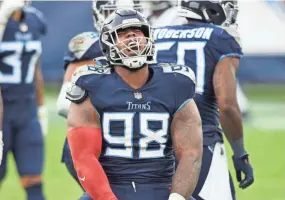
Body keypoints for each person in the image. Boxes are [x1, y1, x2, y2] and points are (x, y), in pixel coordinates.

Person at [66, 8, 202, 200]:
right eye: (122, 33)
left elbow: (191, 153)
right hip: (111, 188)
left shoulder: (176, 83)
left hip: (161, 187)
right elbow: (84, 158)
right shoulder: (92, 84)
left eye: (138, 31)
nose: (132, 37)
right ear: (108, 44)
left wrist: (177, 197)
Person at [154, 1, 254, 200]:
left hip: (153, 143)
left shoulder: (153, 36)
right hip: (201, 140)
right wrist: (240, 152)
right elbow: (226, 106)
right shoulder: (219, 38)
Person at [56, 0, 143, 196]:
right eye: (113, 11)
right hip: (96, 142)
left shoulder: (147, 43)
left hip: (133, 143)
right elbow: (64, 104)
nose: (122, 19)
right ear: (98, 15)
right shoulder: (90, 45)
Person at [0, 0, 48, 199]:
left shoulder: (35, 19)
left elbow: (35, 66)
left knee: (34, 180)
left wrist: (41, 107)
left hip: (27, 111)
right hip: (2, 110)